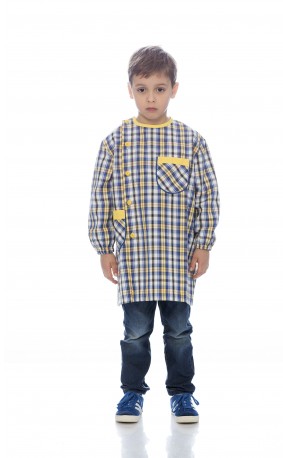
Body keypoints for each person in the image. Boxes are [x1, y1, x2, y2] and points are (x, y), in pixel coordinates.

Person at [88, 46, 220, 424]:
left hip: (177, 257)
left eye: (159, 89)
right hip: (133, 257)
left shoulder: (190, 141)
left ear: (174, 90)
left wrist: (203, 243)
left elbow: (207, 194)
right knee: (135, 333)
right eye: (142, 89)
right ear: (130, 89)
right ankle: (131, 393)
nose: (151, 98)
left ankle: (182, 394)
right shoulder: (115, 142)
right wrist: (104, 248)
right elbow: (100, 195)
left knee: (179, 332)